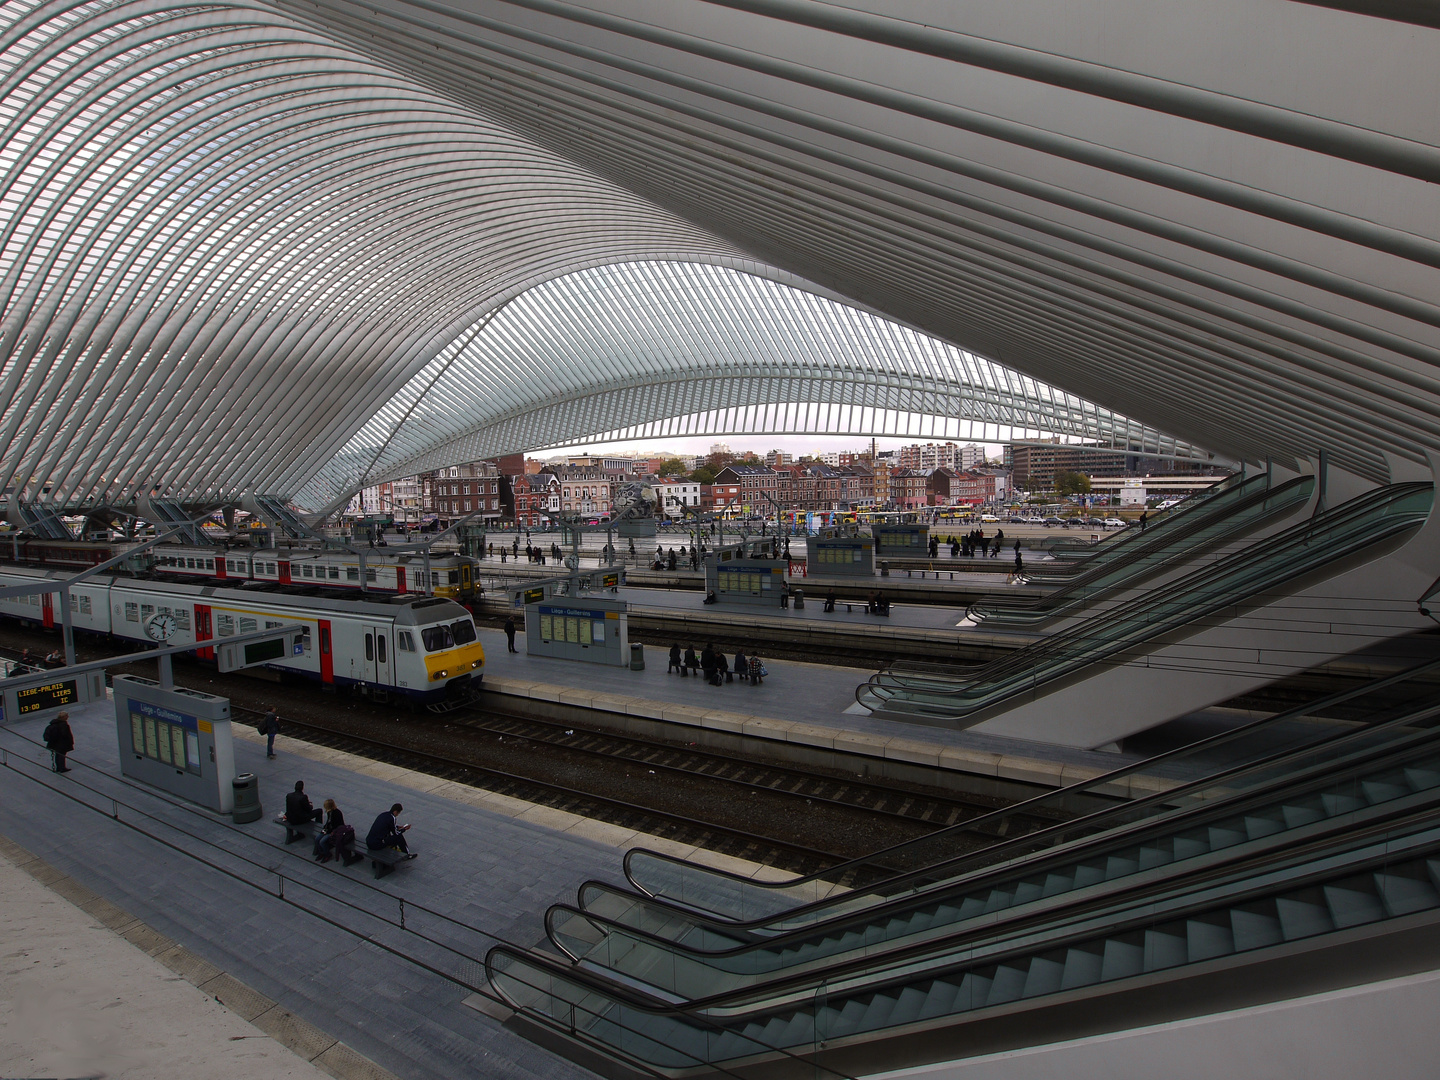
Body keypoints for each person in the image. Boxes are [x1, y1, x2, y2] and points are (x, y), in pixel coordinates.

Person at [314, 799, 356, 863]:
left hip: (334, 831)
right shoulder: (329, 812)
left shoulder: (337, 813)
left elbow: (336, 826)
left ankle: (327, 854)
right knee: (317, 839)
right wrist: (324, 829)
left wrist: (327, 831)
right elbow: (328, 822)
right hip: (328, 830)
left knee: (322, 841)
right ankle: (321, 852)